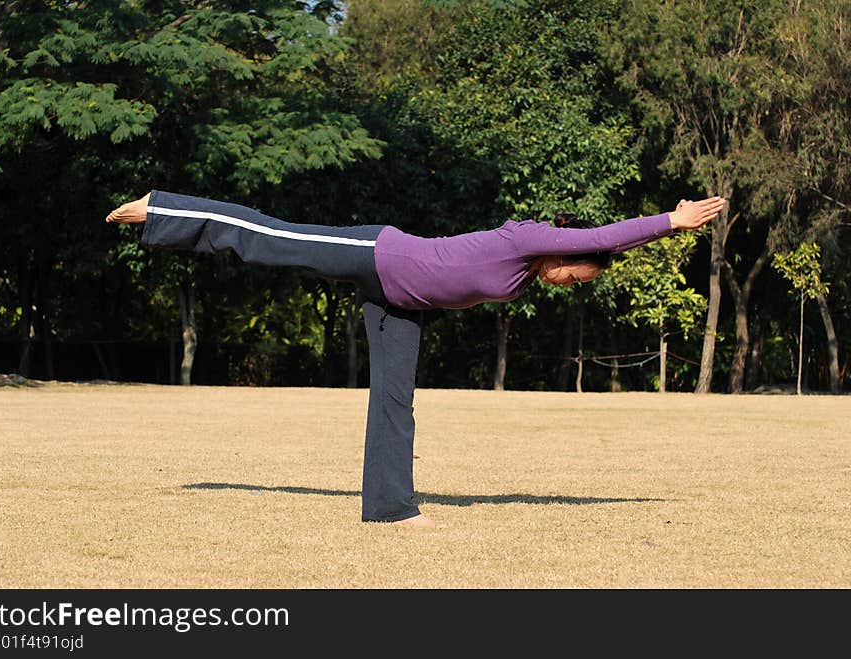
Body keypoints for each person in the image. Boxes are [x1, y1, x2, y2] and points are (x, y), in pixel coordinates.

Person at [106, 190, 725, 527]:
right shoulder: (531, 238)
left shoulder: (524, 277)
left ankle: (389, 507)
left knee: (395, 400)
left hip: (399, 303)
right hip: (378, 255)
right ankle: (162, 208)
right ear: (561, 252)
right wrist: (670, 221)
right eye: (575, 274)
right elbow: (601, 236)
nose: (571, 280)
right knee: (273, 240)